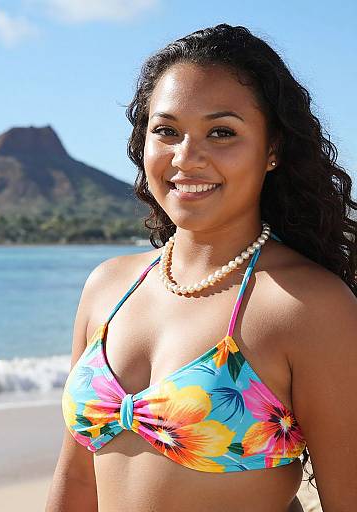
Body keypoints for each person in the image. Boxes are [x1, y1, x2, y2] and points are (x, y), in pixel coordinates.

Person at [46, 24, 357, 511]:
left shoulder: (308, 306)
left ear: (272, 149)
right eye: (167, 131)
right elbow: (76, 482)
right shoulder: (108, 286)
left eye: (221, 132)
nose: (187, 158)